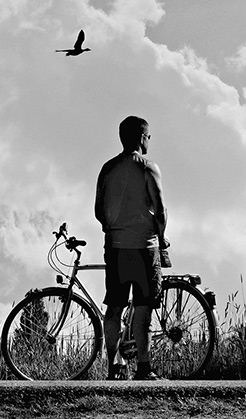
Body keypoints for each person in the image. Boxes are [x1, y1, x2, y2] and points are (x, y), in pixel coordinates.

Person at [95, 116, 168, 380]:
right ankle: (144, 368)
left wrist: (113, 227)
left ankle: (113, 366)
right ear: (141, 137)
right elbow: (159, 210)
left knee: (114, 306)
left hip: (115, 247)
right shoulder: (148, 168)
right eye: (148, 136)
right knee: (144, 307)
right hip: (144, 247)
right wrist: (162, 236)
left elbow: (98, 211)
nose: (149, 140)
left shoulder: (107, 169)